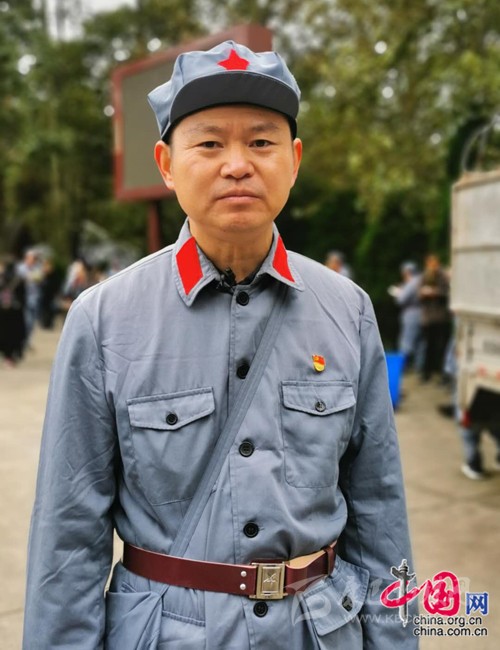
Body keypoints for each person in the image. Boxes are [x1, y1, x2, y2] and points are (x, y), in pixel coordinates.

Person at [24, 41, 416, 649]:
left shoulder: (348, 310)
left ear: (294, 160)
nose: (237, 164)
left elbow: (380, 514)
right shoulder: (104, 320)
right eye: (209, 144)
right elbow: (68, 536)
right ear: (166, 164)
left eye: (261, 142)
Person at [418, 253, 451, 382]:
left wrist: (434, 292)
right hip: (429, 318)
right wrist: (423, 293)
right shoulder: (424, 277)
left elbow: (447, 292)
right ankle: (427, 373)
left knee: (442, 347)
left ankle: (443, 374)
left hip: (441, 318)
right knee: (429, 346)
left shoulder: (443, 276)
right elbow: (419, 294)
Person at [388, 261, 423, 371]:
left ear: (407, 272)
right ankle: (419, 368)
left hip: (411, 313)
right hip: (421, 312)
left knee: (406, 342)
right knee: (420, 343)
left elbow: (401, 299)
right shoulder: (421, 280)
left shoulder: (411, 282)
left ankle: (401, 368)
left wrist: (398, 292)